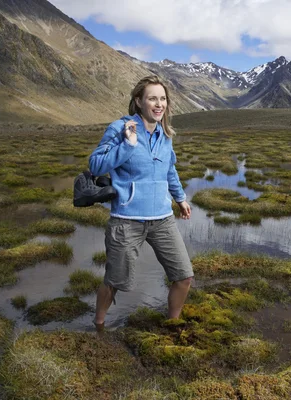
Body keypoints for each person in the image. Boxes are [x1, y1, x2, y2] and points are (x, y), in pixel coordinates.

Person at [88, 75, 193, 331]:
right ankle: (98, 324)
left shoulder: (164, 134)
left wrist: (180, 198)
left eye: (163, 99)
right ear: (138, 101)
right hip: (127, 220)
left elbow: (169, 170)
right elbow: (95, 165)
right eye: (152, 98)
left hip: (162, 219)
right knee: (114, 281)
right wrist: (127, 145)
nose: (159, 104)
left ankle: (172, 325)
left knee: (184, 277)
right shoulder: (120, 128)